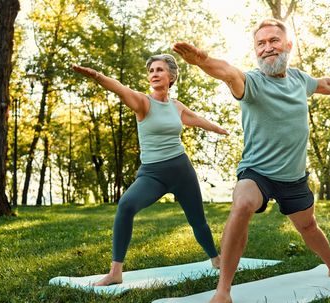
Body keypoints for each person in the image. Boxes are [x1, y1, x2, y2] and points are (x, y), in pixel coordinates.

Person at [173, 18, 330, 303]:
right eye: (260, 44)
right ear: (255, 51)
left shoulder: (300, 80)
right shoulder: (251, 82)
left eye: (273, 41)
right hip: (258, 173)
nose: (267, 48)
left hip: (293, 177)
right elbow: (227, 72)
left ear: (288, 45)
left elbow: (325, 83)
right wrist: (202, 61)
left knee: (308, 226)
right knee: (242, 204)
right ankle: (223, 290)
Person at [71, 54, 228, 286]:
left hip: (181, 170)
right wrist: (97, 76)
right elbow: (121, 89)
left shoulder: (176, 106)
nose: (154, 74)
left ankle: (215, 259)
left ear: (171, 77)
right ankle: (115, 272)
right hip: (153, 174)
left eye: (160, 70)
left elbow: (196, 119)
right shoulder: (143, 103)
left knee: (197, 220)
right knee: (126, 206)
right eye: (151, 70)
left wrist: (218, 129)